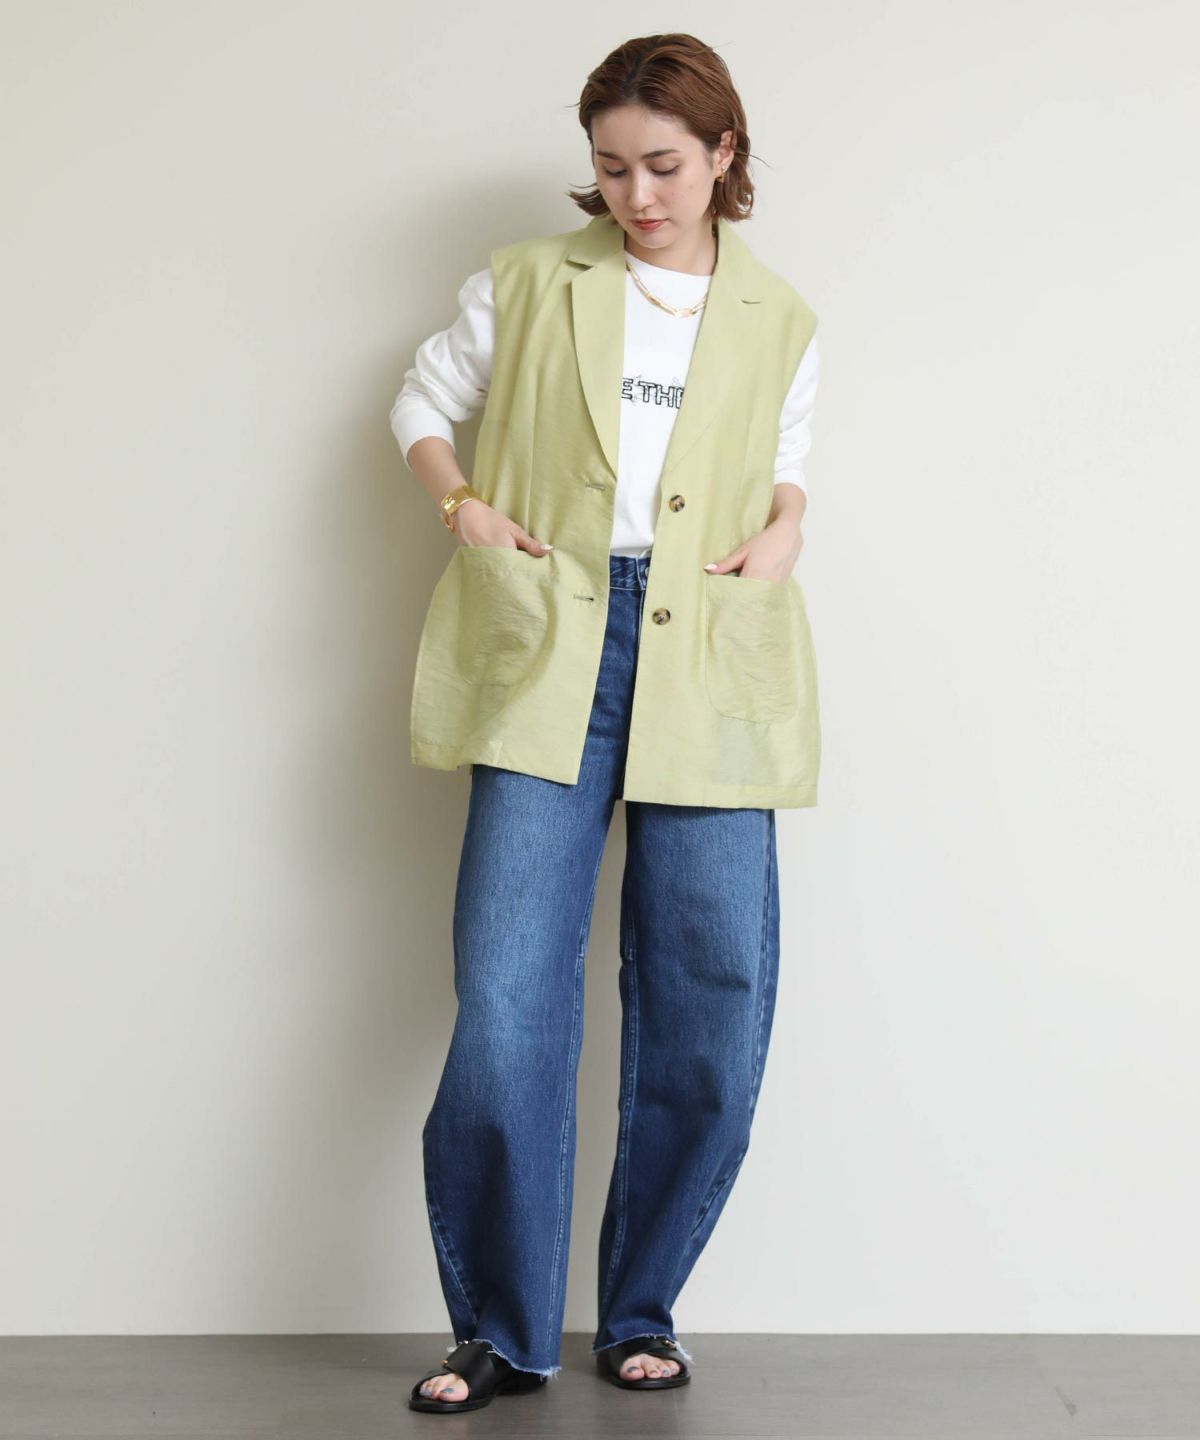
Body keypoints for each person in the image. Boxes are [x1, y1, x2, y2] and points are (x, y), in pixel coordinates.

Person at [390, 32, 821, 1415]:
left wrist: (788, 530)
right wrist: (464, 509)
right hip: (552, 646)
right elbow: (420, 401)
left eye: (665, 166)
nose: (638, 195)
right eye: (614, 167)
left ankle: (644, 1310)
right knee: (509, 993)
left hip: (711, 650)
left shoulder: (778, 315)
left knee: (712, 994)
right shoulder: (526, 282)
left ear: (723, 154)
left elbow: (787, 466)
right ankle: (500, 1332)